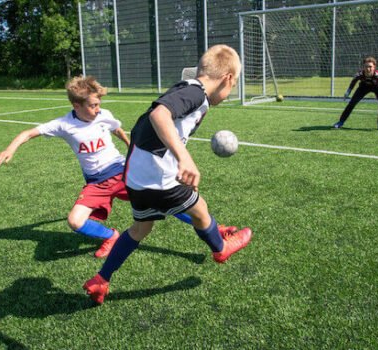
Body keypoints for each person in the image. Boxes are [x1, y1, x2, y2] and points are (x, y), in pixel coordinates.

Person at [83, 44, 252, 305]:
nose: (231, 93)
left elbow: (143, 128)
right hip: (156, 177)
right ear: (227, 79)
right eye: (235, 85)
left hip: (137, 177)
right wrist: (184, 158)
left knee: (140, 228)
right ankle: (221, 249)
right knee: (200, 209)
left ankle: (101, 279)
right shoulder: (195, 94)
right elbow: (158, 114)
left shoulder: (186, 88)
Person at [0, 76, 195, 259]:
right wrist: (9, 149)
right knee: (75, 221)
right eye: (92, 105)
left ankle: (211, 227)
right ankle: (111, 236)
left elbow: (117, 130)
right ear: (76, 105)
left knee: (161, 199)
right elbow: (28, 133)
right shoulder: (63, 125)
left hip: (121, 172)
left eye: (99, 104)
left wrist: (128, 146)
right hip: (96, 183)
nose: (98, 109)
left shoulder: (103, 114)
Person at [334, 56, 378, 131]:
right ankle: (340, 122)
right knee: (352, 103)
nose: (368, 69)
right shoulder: (360, 74)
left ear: (374, 67)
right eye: (366, 66)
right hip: (364, 86)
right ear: (363, 67)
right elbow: (353, 82)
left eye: (370, 67)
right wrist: (348, 92)